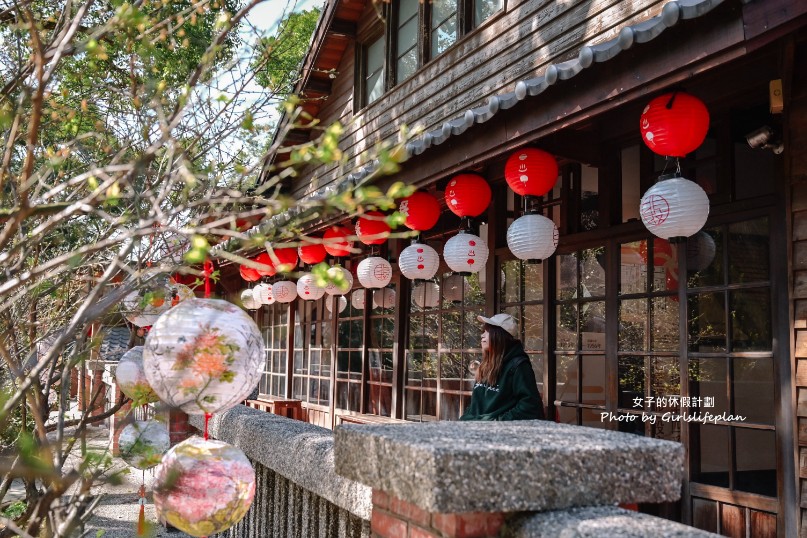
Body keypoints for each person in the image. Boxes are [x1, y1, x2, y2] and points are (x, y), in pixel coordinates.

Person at [460, 313, 545, 421]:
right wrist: (465, 419)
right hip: (474, 429)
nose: (482, 335)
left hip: (497, 433)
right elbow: (475, 406)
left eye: (487, 331)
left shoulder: (519, 366)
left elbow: (530, 407)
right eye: (483, 332)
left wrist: (498, 422)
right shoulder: (485, 365)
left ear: (499, 335)